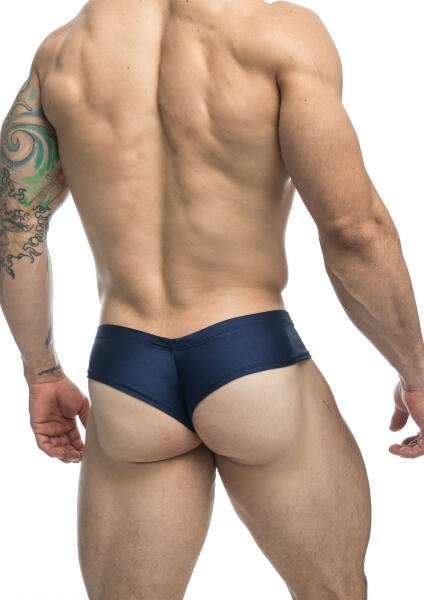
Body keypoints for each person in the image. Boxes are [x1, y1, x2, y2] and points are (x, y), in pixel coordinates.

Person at [1, 0, 423, 598]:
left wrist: (41, 373)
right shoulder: (276, 33)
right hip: (251, 354)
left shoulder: (62, 52)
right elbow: (354, 230)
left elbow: (15, 227)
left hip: (126, 372)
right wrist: (416, 372)